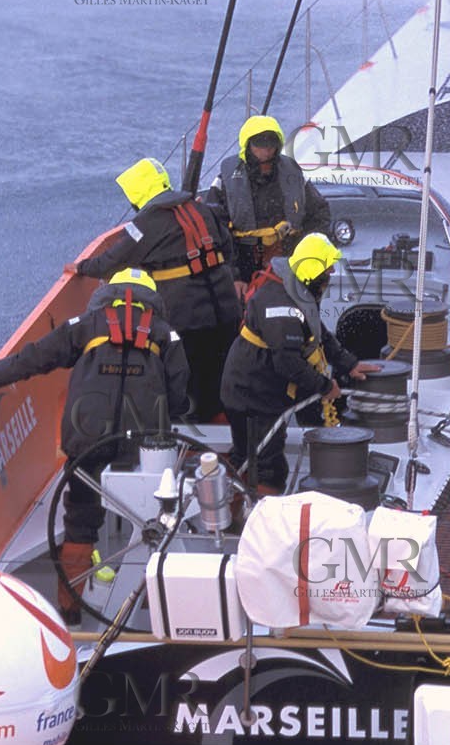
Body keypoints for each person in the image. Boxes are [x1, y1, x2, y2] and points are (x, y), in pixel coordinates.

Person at [0, 268, 190, 623]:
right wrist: (174, 414)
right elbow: (179, 389)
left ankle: (71, 610)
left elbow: (40, 355)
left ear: (112, 292)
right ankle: (158, 604)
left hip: (87, 435)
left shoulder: (86, 324)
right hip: (143, 441)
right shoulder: (166, 333)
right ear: (151, 297)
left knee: (80, 516)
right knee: (153, 512)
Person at [69, 157, 240, 420]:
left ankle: (193, 433)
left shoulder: (145, 225)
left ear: (139, 192)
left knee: (189, 377)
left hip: (187, 317)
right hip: (227, 308)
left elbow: (111, 262)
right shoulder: (201, 210)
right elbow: (227, 249)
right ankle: (227, 421)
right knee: (222, 369)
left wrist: (81, 267)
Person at [220, 232, 379, 492]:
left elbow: (318, 334)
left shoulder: (297, 289)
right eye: (326, 271)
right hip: (251, 395)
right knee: (265, 467)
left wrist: (348, 363)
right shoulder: (280, 307)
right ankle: (250, 516)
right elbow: (287, 363)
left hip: (264, 390)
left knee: (260, 457)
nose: (329, 276)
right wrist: (326, 387)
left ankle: (243, 496)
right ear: (311, 270)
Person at [205, 116, 331, 295]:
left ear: (278, 144)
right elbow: (214, 227)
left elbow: (319, 213)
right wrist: (234, 275)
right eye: (259, 144)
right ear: (247, 145)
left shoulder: (292, 174)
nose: (266, 150)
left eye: (271, 143)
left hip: (290, 260)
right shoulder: (226, 179)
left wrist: (308, 256)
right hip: (243, 265)